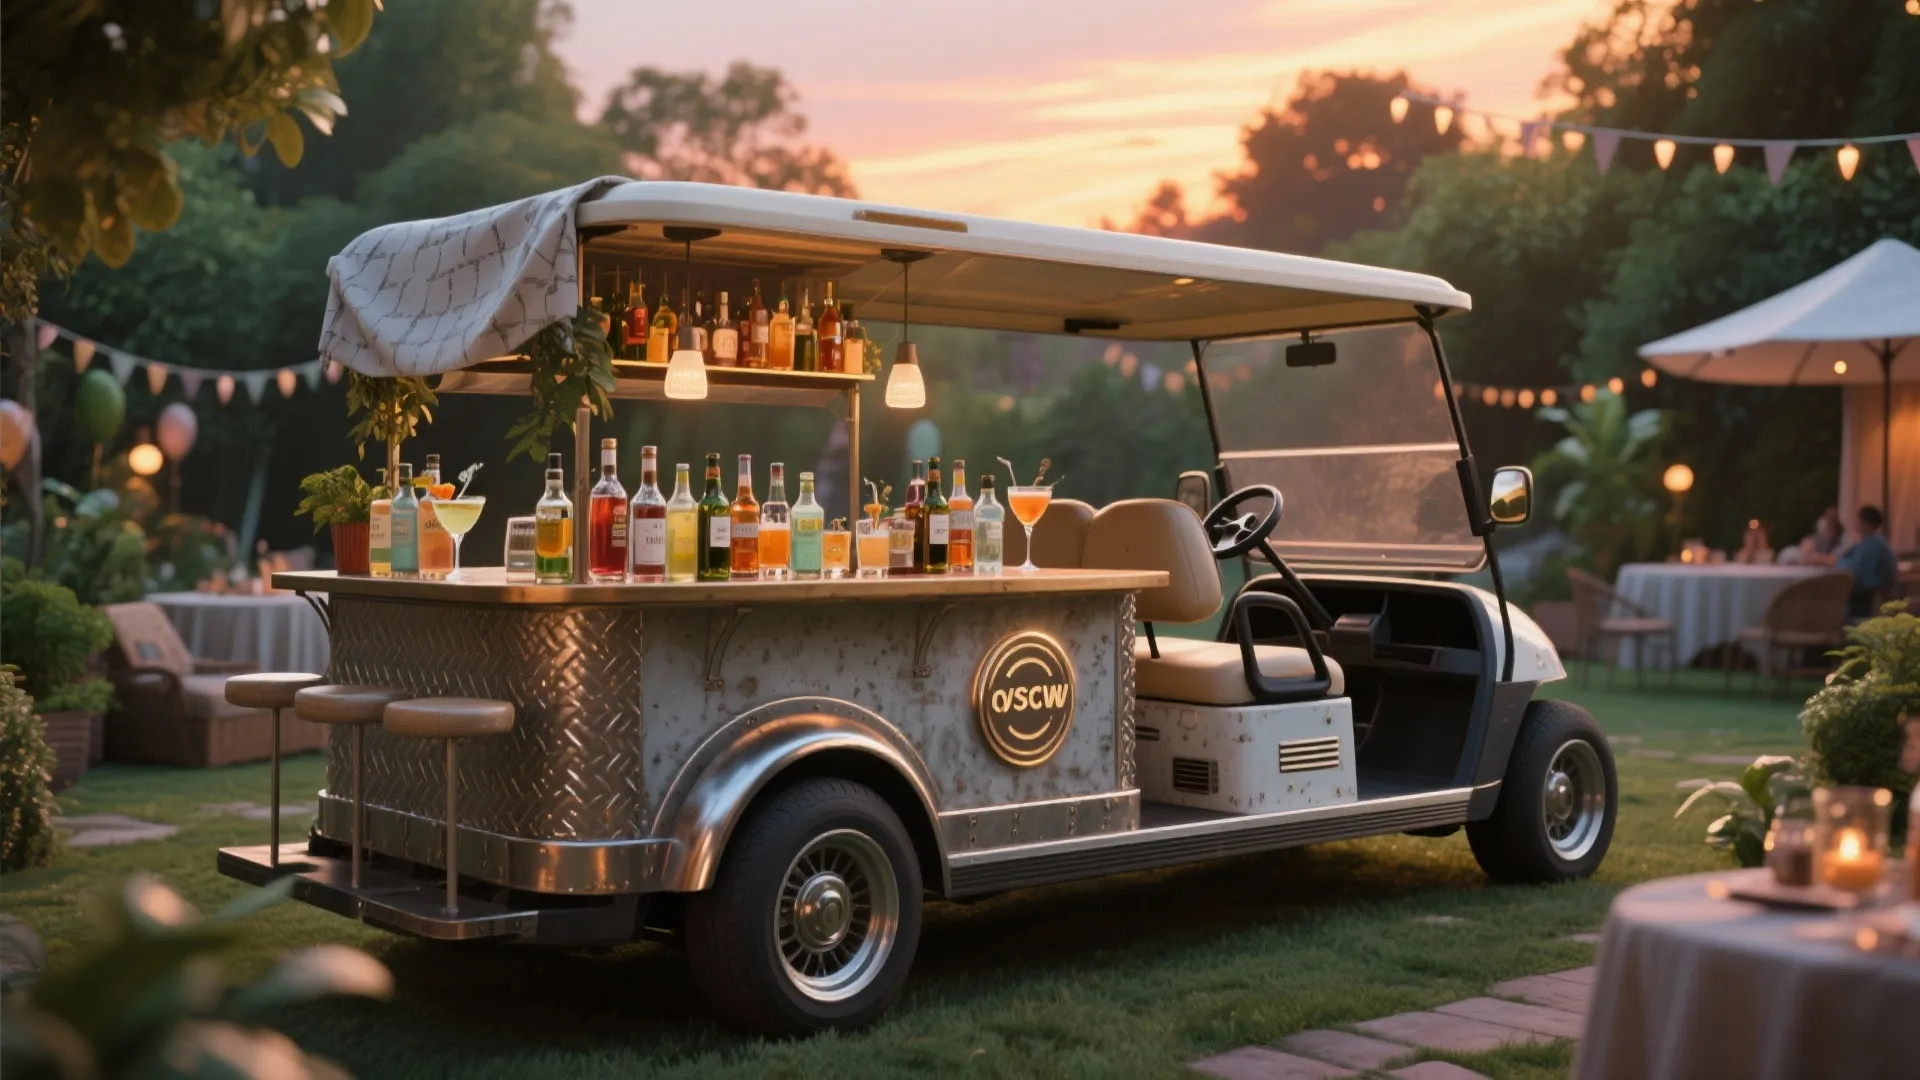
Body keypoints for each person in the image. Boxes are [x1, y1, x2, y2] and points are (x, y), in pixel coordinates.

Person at [1811, 505, 1896, 617]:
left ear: (1864, 523)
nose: (1855, 524)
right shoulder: (1874, 542)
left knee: (1824, 594)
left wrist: (1833, 563)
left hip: (1867, 596)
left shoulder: (1872, 544)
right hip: (1870, 592)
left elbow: (1855, 572)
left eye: (1858, 520)